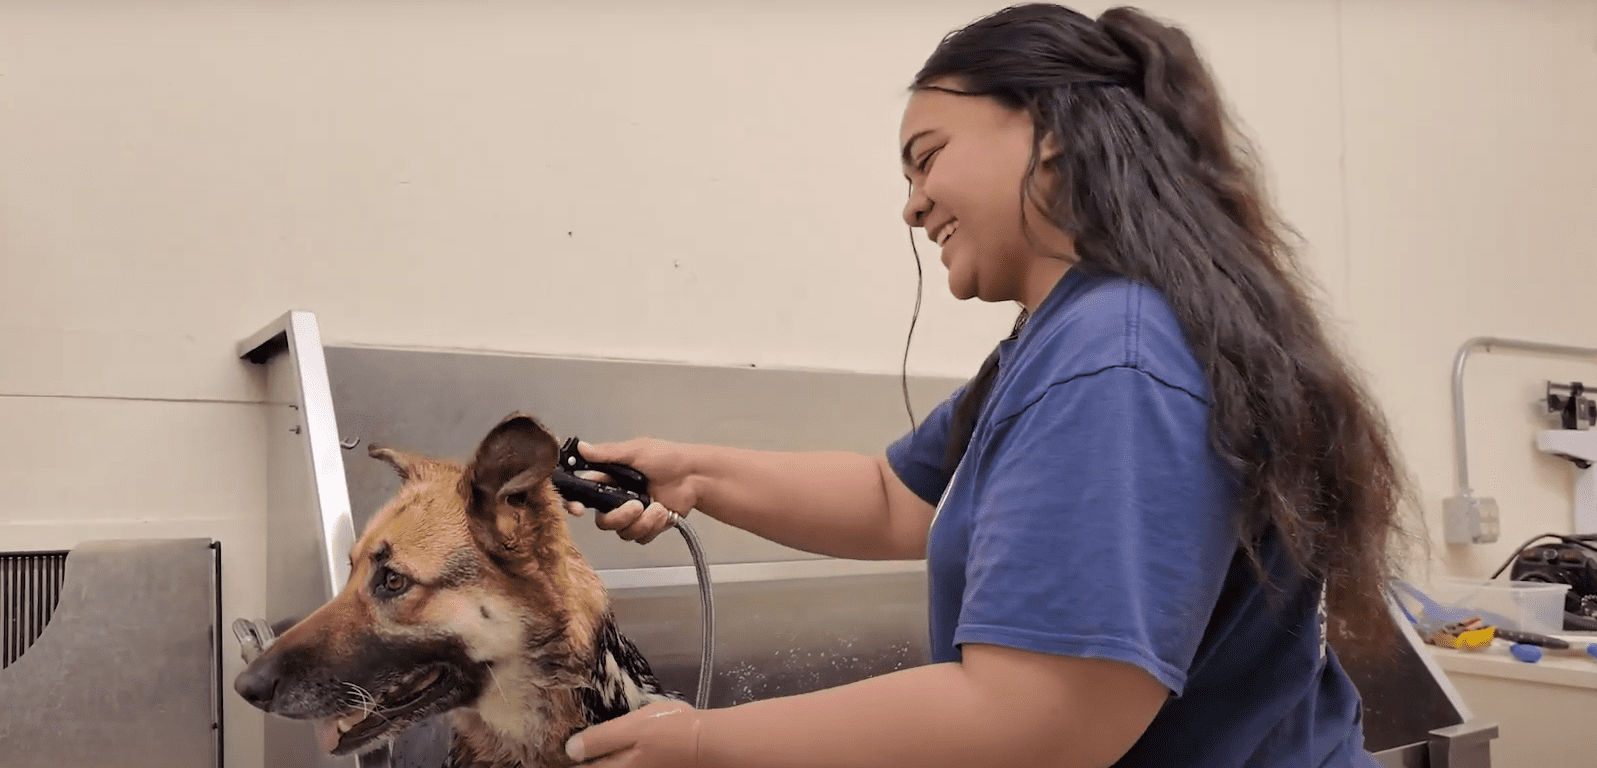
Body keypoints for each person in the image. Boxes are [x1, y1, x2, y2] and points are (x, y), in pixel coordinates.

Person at [560, 4, 1413, 767]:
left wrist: (705, 743)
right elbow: (896, 497)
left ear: (1053, 130)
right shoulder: (1060, 338)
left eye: (926, 159)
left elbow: (1040, 719)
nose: (913, 205)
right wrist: (696, 474)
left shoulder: (1116, 358)